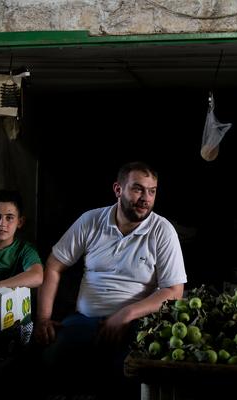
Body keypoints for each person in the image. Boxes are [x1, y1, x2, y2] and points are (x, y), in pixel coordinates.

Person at [34, 161, 187, 394]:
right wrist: (43, 319)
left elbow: (174, 291)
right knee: (51, 357)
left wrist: (125, 315)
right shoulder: (91, 221)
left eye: (152, 191)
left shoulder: (162, 231)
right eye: (137, 189)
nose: (146, 198)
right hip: (86, 319)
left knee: (127, 373)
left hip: (138, 324)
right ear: (118, 189)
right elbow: (54, 266)